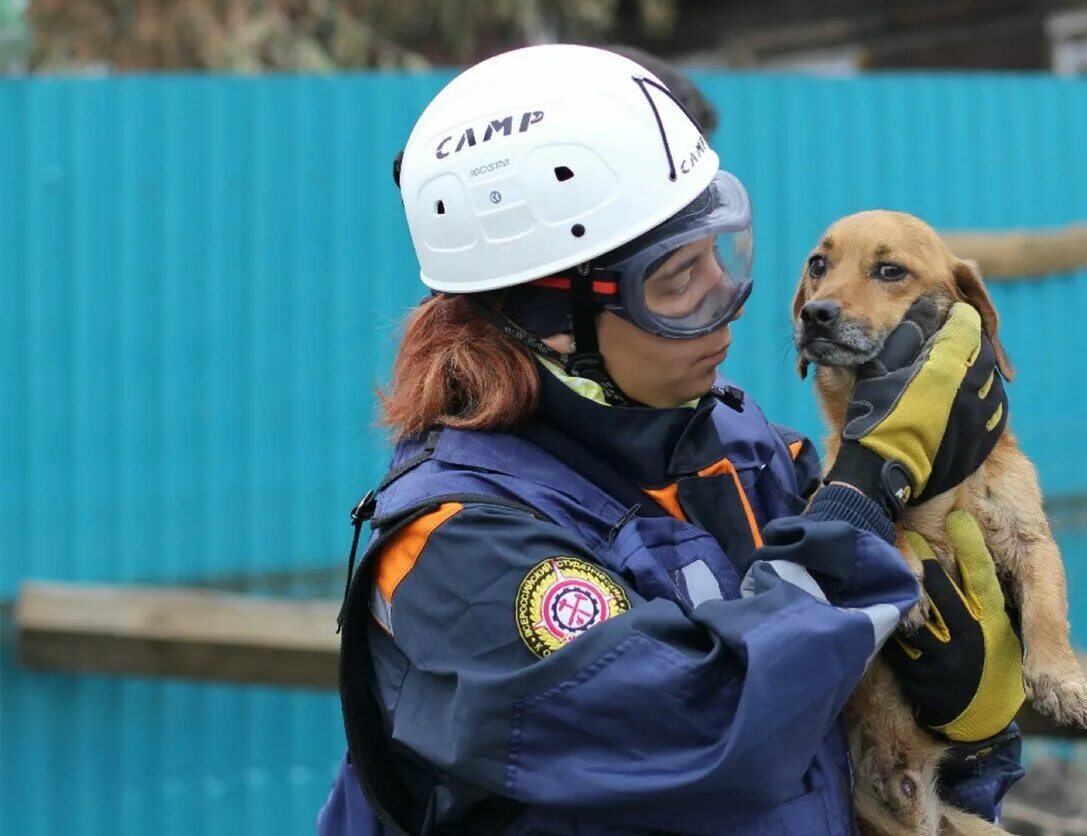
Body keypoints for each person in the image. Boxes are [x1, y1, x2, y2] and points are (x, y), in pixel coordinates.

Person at [318, 44, 1026, 836]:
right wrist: (860, 497)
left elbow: (845, 752)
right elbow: (713, 729)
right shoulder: (455, 549)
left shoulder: (745, 450)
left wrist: (970, 723)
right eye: (676, 281)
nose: (725, 303)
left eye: (723, 255)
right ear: (551, 319)